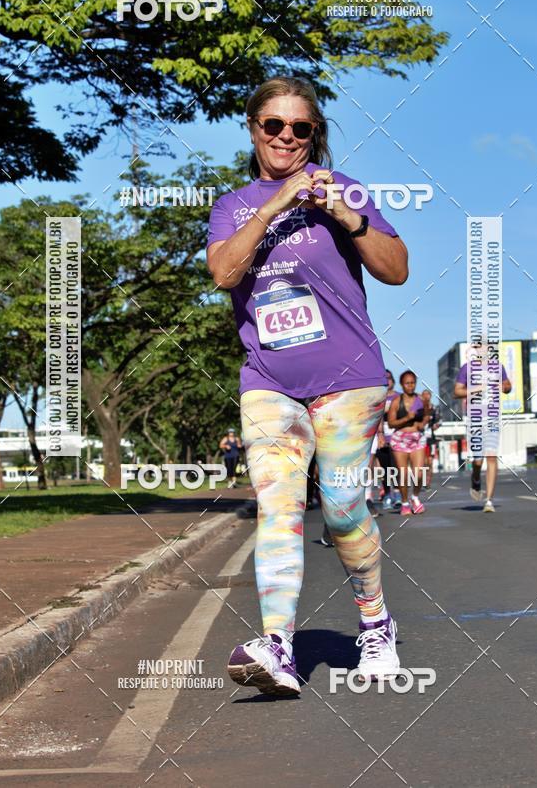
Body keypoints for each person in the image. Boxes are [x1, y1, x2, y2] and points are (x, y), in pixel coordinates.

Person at [207, 76, 408, 696]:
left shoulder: (342, 190)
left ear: (312, 133)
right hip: (268, 381)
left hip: (349, 381)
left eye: (300, 128)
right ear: (254, 130)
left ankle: (375, 624)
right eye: (274, 126)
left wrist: (344, 215)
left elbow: (396, 270)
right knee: (279, 507)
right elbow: (223, 272)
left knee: (345, 510)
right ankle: (277, 646)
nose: (287, 137)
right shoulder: (233, 206)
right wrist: (275, 206)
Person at [454, 358, 511, 512]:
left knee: (491, 456)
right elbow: (457, 391)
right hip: (475, 419)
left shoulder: (498, 367)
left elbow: (507, 387)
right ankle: (476, 478)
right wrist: (477, 388)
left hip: (492, 418)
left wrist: (504, 387)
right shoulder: (467, 368)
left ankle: (489, 501)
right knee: (478, 462)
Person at [387, 370, 429, 516]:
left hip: (416, 438)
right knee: (403, 474)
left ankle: (415, 497)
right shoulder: (396, 401)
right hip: (400, 439)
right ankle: (405, 503)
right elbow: (391, 423)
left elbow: (427, 414)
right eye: (407, 383)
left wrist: (422, 423)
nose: (410, 386)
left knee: (419, 473)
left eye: (412, 383)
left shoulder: (420, 399)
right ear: (402, 384)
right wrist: (406, 418)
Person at [367, 370, 400, 511]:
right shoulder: (378, 396)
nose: (388, 381)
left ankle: (398, 494)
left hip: (397, 435)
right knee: (384, 469)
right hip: (381, 436)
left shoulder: (399, 397)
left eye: (389, 378)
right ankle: (387, 493)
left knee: (397, 466)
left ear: (393, 380)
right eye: (385, 378)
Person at [420, 389, 439, 487]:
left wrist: (436, 425)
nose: (426, 397)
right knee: (423, 462)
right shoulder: (419, 408)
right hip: (420, 438)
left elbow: (440, 420)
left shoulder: (434, 408)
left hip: (431, 439)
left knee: (430, 462)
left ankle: (428, 482)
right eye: (424, 395)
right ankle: (423, 480)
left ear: (430, 396)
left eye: (428, 395)